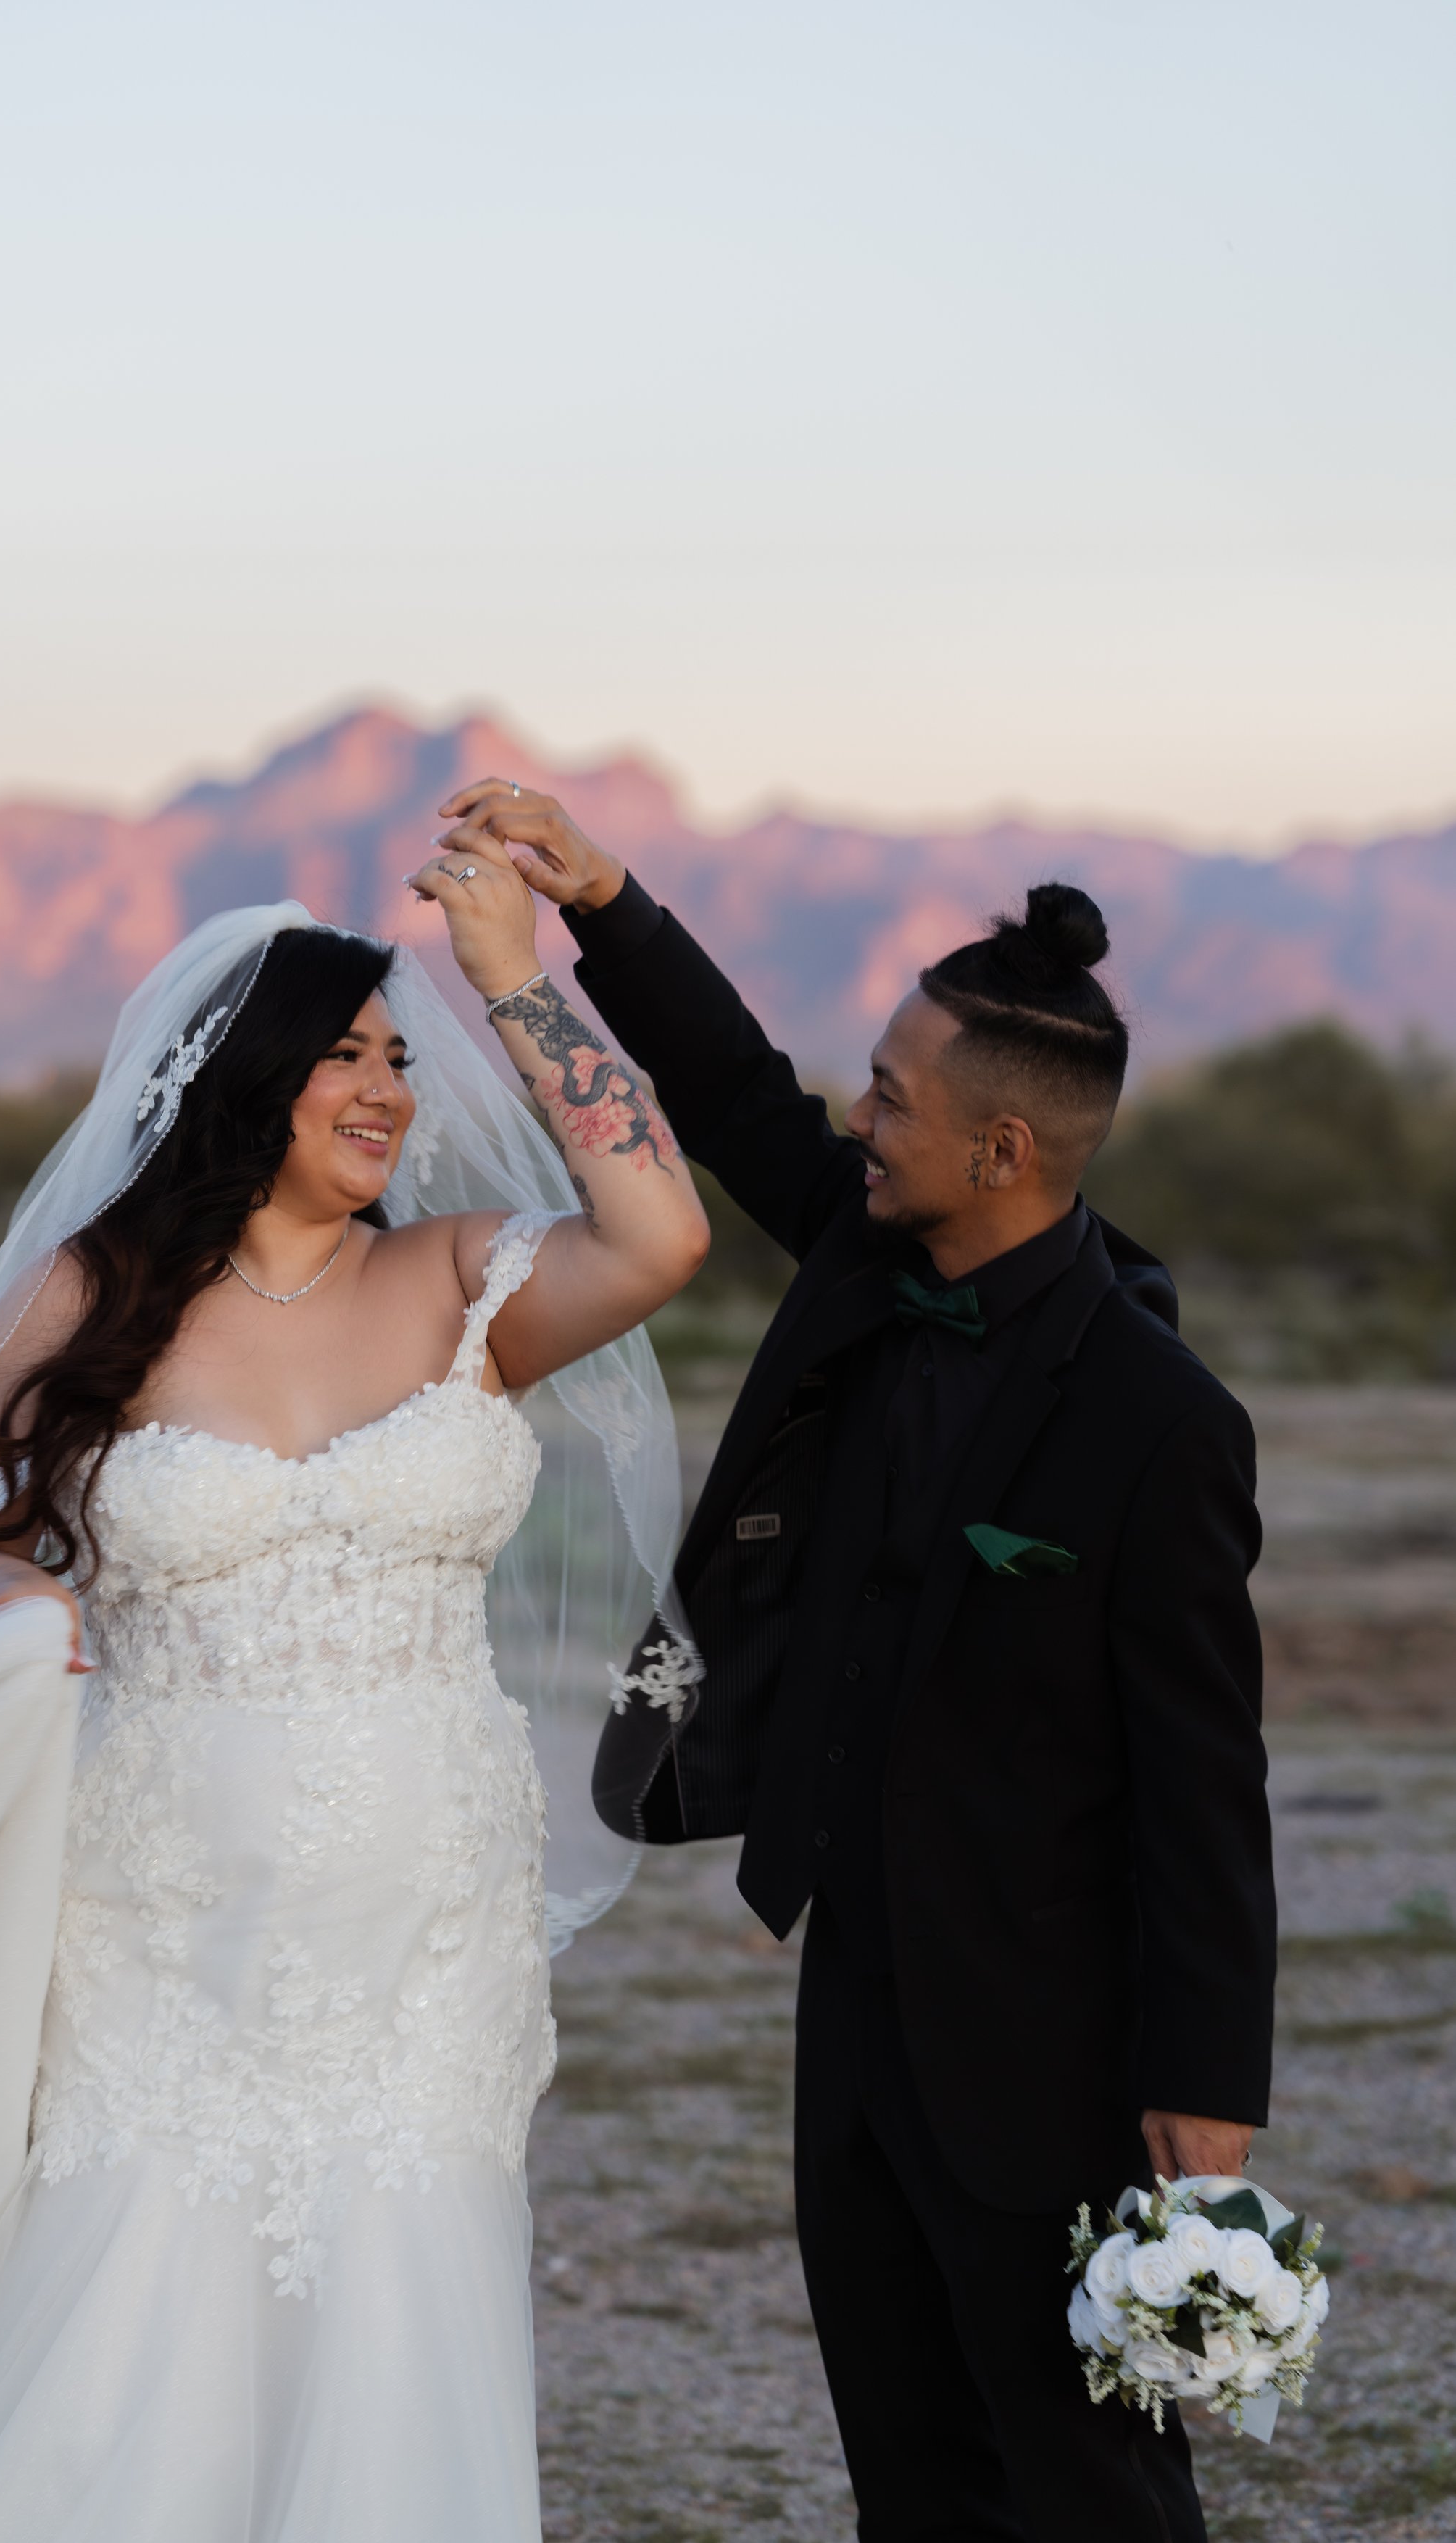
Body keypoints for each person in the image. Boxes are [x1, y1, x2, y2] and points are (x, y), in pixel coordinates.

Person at [0, 840, 708, 2543]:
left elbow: (658, 1230)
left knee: (401, 2266)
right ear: (240, 1080)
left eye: (397, 1056)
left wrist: (513, 971)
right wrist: (3, 1599)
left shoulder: (457, 1281)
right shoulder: (93, 1296)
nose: (384, 1088)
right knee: (128, 2276)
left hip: (423, 1917)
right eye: (343, 1053)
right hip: (161, 1908)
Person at [434, 779, 1277, 2543]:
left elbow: (1205, 1777)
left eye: (891, 1099)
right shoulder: (865, 1257)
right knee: (906, 2462)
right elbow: (736, 1096)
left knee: (1089, 2474)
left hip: (1048, 2037)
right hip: (855, 1996)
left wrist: (1204, 2091)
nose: (857, 1119)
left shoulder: (1157, 1424)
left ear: (1003, 1153)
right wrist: (605, 900)